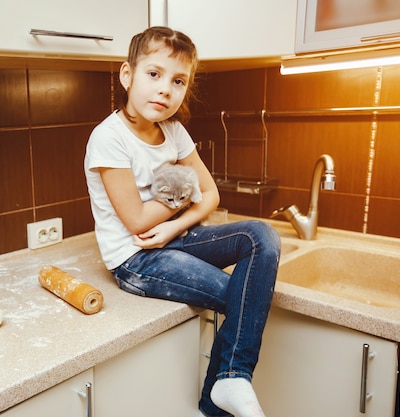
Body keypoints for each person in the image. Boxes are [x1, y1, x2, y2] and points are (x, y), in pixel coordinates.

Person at [84, 26, 280, 417]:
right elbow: (138, 221)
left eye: (178, 81)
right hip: (135, 259)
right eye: (153, 75)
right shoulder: (109, 139)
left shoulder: (174, 131)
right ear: (127, 75)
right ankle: (220, 396)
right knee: (242, 298)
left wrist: (174, 224)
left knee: (261, 235)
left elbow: (211, 195)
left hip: (176, 237)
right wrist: (183, 194)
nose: (164, 90)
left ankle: (230, 379)